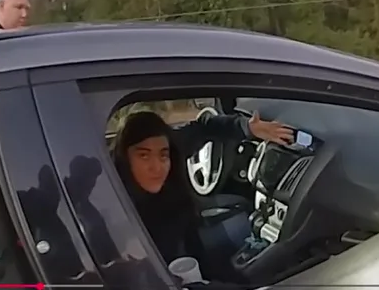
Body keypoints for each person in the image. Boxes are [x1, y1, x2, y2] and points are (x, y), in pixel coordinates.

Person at [113, 109, 293, 277]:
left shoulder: (173, 151)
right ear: (124, 157)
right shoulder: (113, 201)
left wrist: (247, 127)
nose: (157, 167)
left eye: (163, 155)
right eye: (144, 155)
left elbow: (205, 126)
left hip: (188, 247)